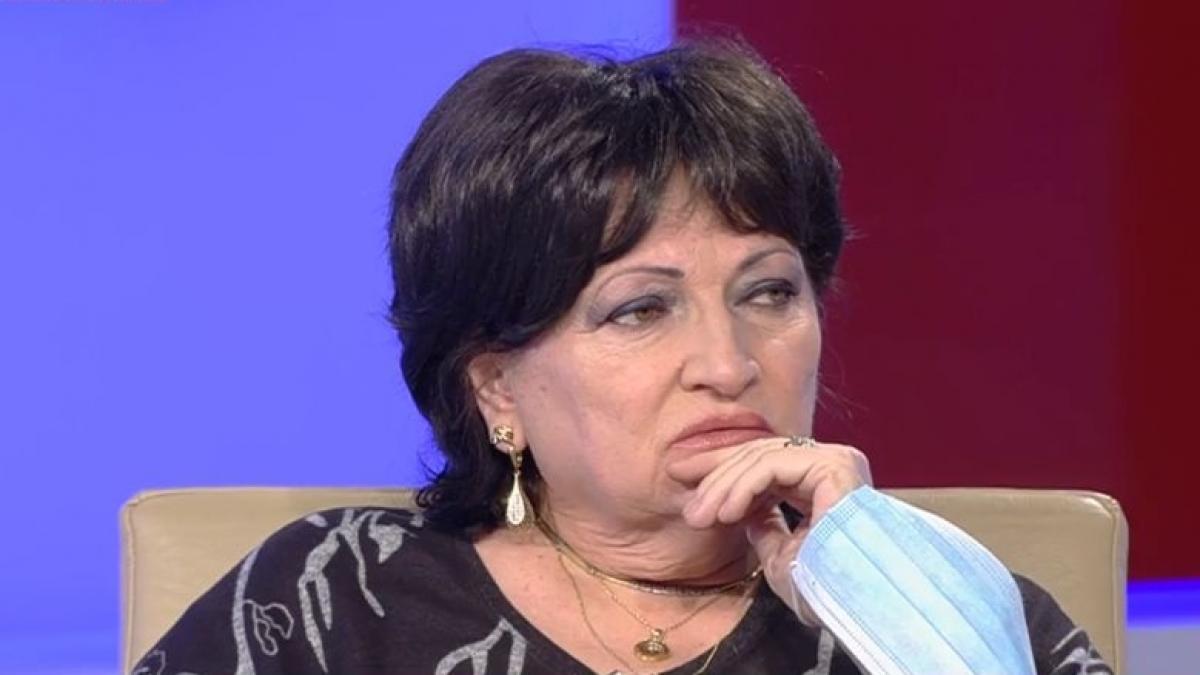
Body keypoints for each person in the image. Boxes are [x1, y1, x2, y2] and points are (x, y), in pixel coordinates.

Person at [130, 41, 1113, 675]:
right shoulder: (330, 600)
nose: (727, 363)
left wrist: (904, 621)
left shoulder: (943, 606)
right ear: (496, 386)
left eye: (769, 292)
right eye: (641, 309)